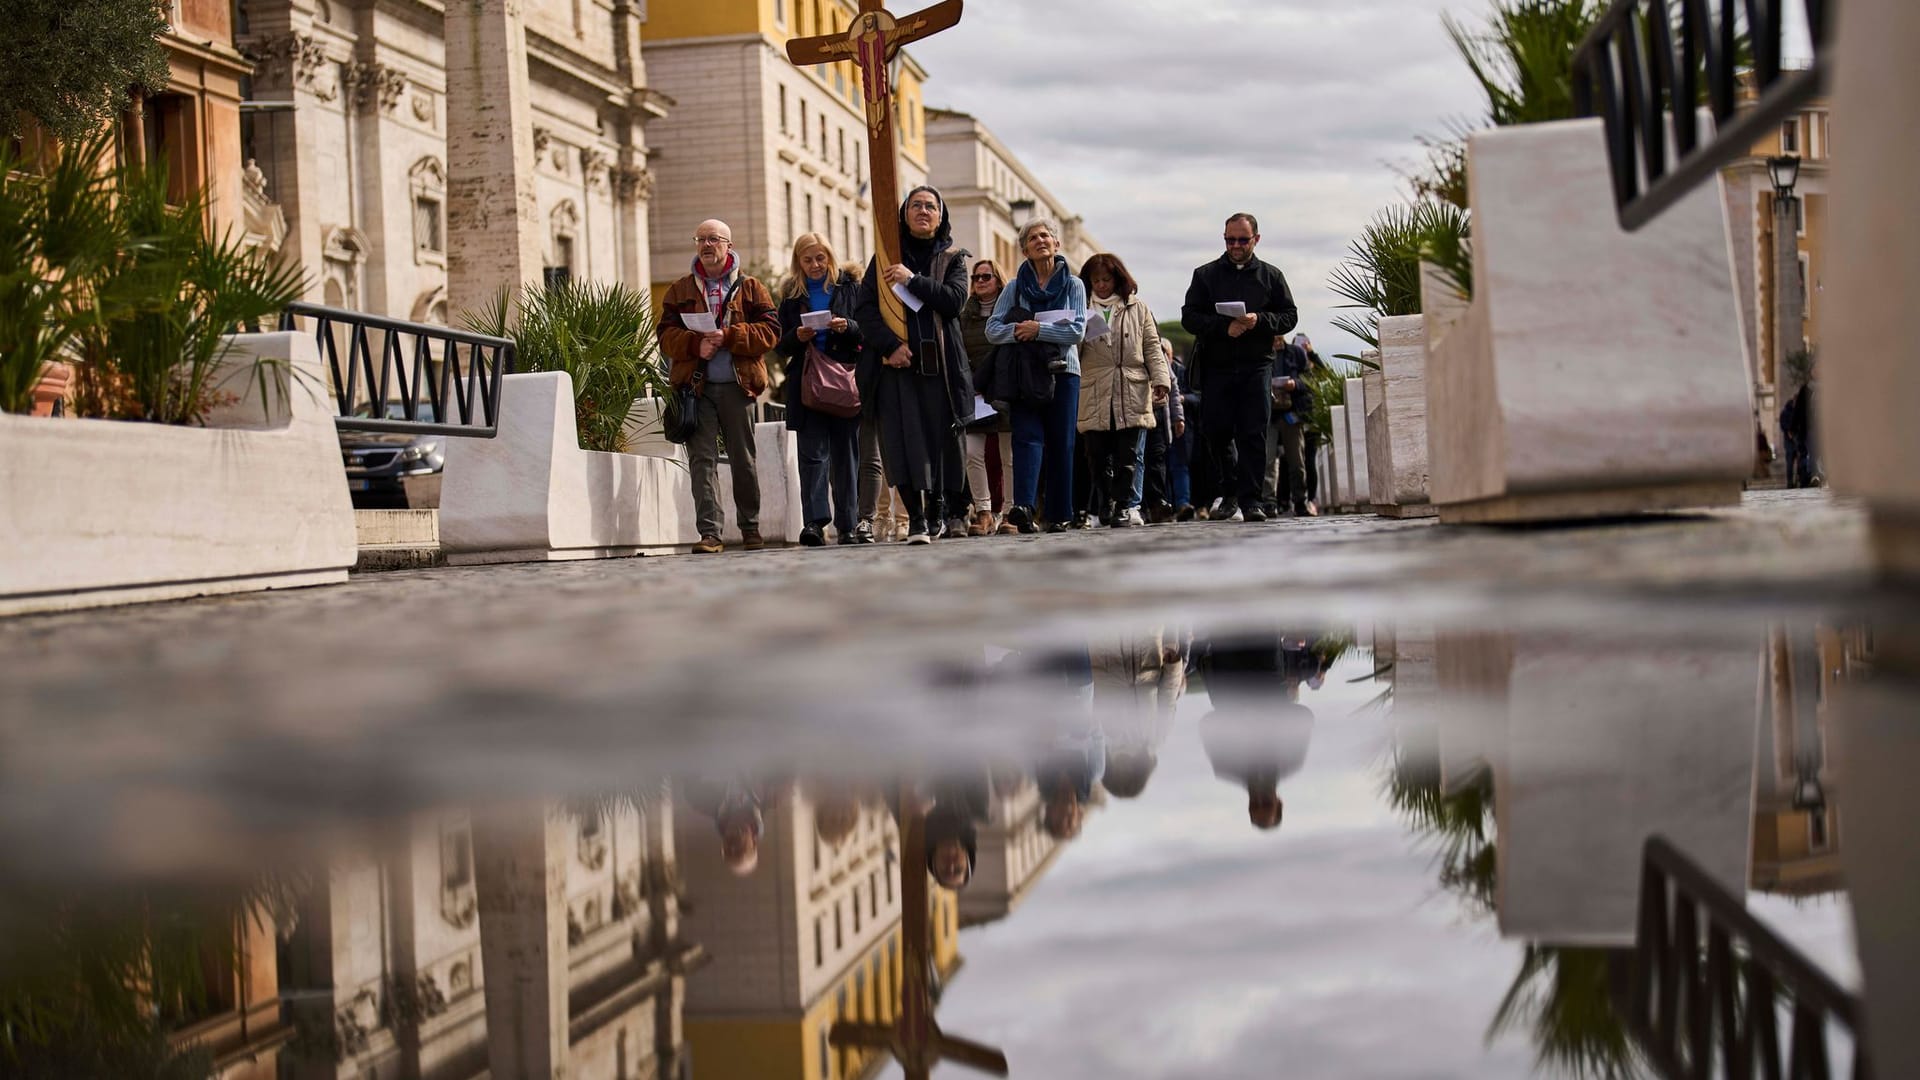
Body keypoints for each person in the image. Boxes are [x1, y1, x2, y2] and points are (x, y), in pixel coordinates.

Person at [853, 187, 974, 544]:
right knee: (901, 443)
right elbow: (865, 309)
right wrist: (890, 347)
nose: (924, 211)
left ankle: (940, 509)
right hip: (897, 367)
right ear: (905, 213)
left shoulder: (953, 258)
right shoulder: (885, 257)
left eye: (931, 206)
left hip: (941, 369)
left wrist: (912, 280)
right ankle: (917, 519)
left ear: (941, 216)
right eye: (916, 205)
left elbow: (954, 302)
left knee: (941, 443)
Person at [660, 219, 782, 554]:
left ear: (729, 244)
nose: (706, 245)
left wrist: (730, 336)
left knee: (743, 459)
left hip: (738, 386)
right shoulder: (679, 289)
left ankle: (750, 527)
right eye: (700, 239)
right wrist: (693, 345)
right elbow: (665, 337)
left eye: (714, 239)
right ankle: (710, 533)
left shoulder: (752, 287)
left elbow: (771, 332)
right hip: (696, 389)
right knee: (702, 460)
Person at [1180, 212, 1299, 523]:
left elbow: (1289, 316)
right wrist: (1223, 328)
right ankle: (1230, 489)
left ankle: (1251, 500)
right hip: (1216, 366)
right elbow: (1189, 317)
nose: (1235, 245)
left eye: (1242, 240)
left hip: (1256, 366)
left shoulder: (1272, 276)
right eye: (1230, 239)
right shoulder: (1205, 275)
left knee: (1253, 432)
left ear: (1256, 240)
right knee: (1215, 431)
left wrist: (1261, 321)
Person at [988, 219, 1089, 533]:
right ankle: (1024, 508)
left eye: (1046, 235)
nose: (1040, 240)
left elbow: (1077, 331)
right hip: (1026, 373)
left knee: (1062, 443)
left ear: (1056, 245)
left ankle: (1059, 513)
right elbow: (993, 330)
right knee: (1026, 439)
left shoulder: (1074, 285)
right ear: (1024, 250)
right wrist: (1023, 332)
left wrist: (1038, 329)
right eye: (1033, 238)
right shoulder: (1014, 287)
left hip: (1064, 372)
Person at [775, 233, 866, 546]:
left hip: (845, 381)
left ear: (830, 256)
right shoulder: (790, 297)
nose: (815, 265)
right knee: (813, 457)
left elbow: (867, 332)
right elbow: (779, 345)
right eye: (807, 259)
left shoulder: (852, 288)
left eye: (820, 258)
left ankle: (848, 525)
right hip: (807, 385)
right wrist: (796, 336)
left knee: (846, 457)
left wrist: (848, 326)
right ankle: (814, 523)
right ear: (798, 262)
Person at [1076, 254, 1171, 528]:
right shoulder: (1081, 308)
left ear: (1118, 279)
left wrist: (1160, 379)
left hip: (1131, 386)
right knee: (1096, 455)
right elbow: (1072, 347)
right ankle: (1106, 501)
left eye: (1106, 279)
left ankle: (1123, 506)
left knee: (1128, 455)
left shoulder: (1137, 307)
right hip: (1094, 389)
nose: (1102, 285)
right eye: (1096, 281)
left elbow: (1152, 345)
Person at [958, 259, 1014, 536]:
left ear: (998, 280)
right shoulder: (964, 314)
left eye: (986, 276)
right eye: (975, 277)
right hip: (975, 393)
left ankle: (1010, 513)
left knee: (1008, 455)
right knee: (971, 452)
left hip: (1004, 390)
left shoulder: (1010, 311)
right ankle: (983, 511)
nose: (979, 281)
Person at [1263, 332, 1317, 517]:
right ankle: (1269, 502)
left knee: (1297, 461)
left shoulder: (1297, 353)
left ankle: (1300, 501)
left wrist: (1295, 384)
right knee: (1267, 460)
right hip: (1269, 415)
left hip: (1292, 413)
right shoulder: (1261, 353)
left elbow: (1310, 380)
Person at [1141, 339, 1186, 523]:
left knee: (1157, 460)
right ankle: (1140, 506)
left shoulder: (1157, 351)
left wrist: (1178, 417)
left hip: (1158, 413)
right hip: (1136, 412)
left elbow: (1172, 385)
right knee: (1137, 461)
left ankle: (1157, 504)